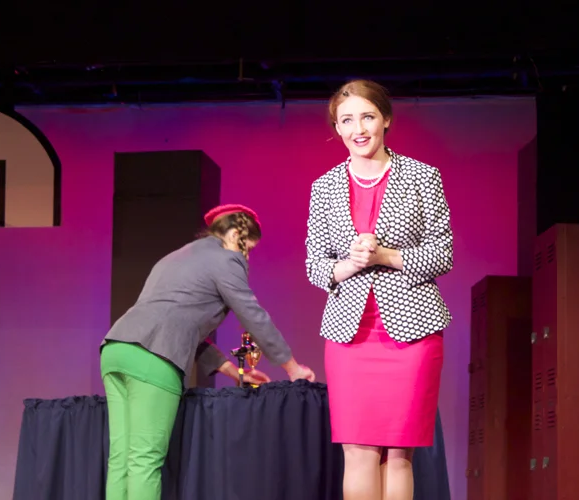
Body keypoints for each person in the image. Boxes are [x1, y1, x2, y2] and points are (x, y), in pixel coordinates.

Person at [100, 204, 315, 500]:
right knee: (144, 460)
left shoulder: (177, 256)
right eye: (248, 249)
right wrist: (292, 367)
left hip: (117, 348)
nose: (246, 257)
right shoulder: (227, 259)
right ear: (236, 234)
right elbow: (253, 316)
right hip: (154, 357)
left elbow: (181, 324)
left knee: (121, 459)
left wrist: (232, 371)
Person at [305, 80, 453, 500]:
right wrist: (350, 264)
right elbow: (315, 265)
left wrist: (385, 255)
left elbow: (442, 253)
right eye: (346, 120)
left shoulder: (423, 176)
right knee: (358, 451)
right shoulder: (324, 187)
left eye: (367, 117)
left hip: (412, 334)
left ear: (385, 119)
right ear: (337, 128)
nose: (358, 129)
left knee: (399, 455)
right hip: (350, 337)